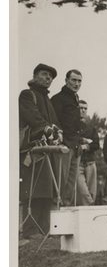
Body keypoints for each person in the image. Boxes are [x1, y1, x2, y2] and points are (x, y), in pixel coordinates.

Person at [19, 63, 61, 239]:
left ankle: (44, 229)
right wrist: (46, 128)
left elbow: (54, 123)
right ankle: (30, 230)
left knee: (47, 190)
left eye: (50, 77)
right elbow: (33, 116)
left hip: (47, 148)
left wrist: (57, 133)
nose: (48, 78)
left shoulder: (47, 100)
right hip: (32, 149)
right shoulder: (27, 95)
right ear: (35, 76)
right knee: (33, 189)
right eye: (44, 74)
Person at [51, 69, 83, 206]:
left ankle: (66, 211)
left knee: (71, 184)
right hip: (63, 146)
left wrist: (80, 141)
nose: (77, 83)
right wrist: (61, 141)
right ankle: (55, 211)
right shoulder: (58, 98)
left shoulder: (75, 99)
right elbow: (54, 121)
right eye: (74, 80)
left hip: (75, 146)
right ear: (66, 80)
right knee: (60, 181)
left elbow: (74, 124)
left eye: (79, 81)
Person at [75, 100, 100, 205]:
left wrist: (86, 145)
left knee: (92, 191)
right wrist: (84, 140)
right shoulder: (71, 125)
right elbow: (72, 140)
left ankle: (89, 214)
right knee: (83, 190)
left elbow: (96, 145)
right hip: (77, 162)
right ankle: (92, 206)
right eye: (80, 108)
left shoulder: (91, 128)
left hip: (90, 162)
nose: (83, 110)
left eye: (85, 108)